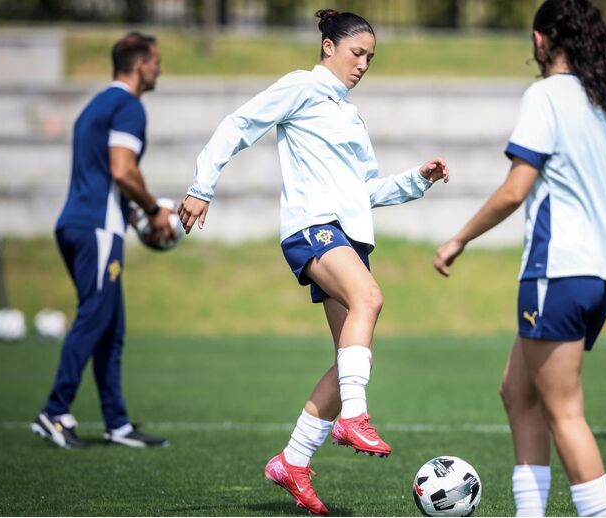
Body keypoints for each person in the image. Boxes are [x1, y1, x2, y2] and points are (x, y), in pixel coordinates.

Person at [178, 9, 448, 516]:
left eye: (370, 56)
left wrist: (418, 178)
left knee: (348, 351)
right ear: (328, 47)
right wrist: (201, 186)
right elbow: (239, 124)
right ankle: (355, 417)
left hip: (350, 236)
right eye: (356, 53)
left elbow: (367, 189)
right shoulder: (301, 87)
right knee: (370, 298)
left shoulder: (350, 114)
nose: (363, 64)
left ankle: (293, 461)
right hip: (313, 227)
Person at [434, 1, 606, 516]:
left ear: (542, 40)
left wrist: (460, 238)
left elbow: (516, 190)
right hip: (603, 273)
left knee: (564, 412)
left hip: (557, 271)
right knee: (518, 393)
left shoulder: (545, 96)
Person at [31, 32, 174, 449]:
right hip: (96, 227)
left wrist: (134, 213)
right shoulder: (128, 106)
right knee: (94, 317)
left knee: (111, 326)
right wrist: (152, 211)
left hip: (81, 223)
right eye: (156, 61)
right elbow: (121, 171)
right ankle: (54, 411)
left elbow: (101, 174)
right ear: (140, 64)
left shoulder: (95, 105)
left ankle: (118, 423)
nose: (160, 69)